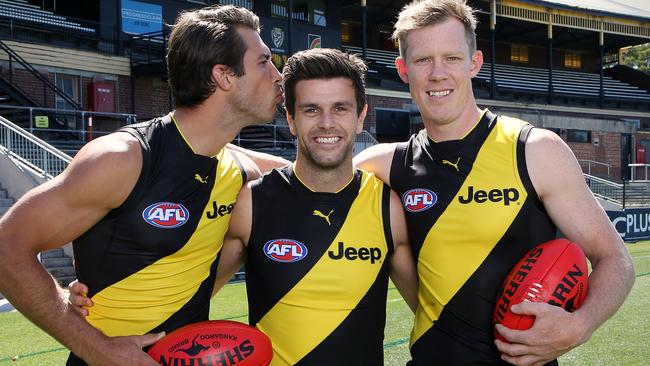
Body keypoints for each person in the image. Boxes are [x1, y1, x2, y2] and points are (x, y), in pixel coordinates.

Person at [0, 5, 287, 366]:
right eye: (264, 62)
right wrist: (99, 348)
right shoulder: (122, 159)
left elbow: (318, 176)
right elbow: (6, 246)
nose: (278, 75)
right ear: (223, 76)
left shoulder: (241, 170)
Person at [354, 0, 635, 365]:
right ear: (404, 69)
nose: (438, 73)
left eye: (452, 58)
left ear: (474, 63)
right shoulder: (383, 165)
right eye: (423, 60)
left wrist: (580, 324)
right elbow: (302, 176)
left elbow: (615, 259)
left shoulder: (535, 150)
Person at [215, 48, 418, 365]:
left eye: (340, 108)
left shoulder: (386, 206)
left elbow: (433, 312)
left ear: (360, 116)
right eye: (311, 110)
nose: (327, 123)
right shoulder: (252, 202)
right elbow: (189, 299)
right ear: (291, 119)